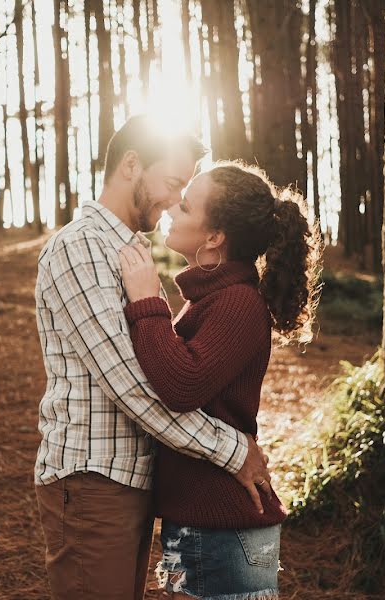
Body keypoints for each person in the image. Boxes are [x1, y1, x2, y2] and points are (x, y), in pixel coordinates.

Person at [33, 116, 274, 600]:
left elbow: (164, 368)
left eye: (184, 194)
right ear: (130, 165)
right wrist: (234, 450)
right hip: (92, 479)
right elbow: (134, 388)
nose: (172, 203)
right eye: (172, 185)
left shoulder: (130, 253)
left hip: (129, 479)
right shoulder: (81, 248)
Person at [118, 160, 322, 599]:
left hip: (222, 529)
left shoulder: (238, 303)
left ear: (214, 237)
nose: (173, 206)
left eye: (187, 206)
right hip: (199, 523)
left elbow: (182, 384)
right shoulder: (212, 299)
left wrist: (146, 302)